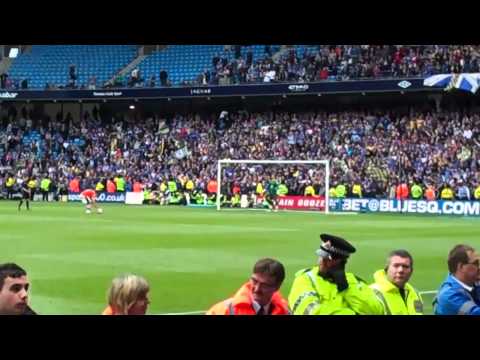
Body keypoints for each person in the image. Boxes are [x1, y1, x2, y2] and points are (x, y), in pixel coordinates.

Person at [288, 234, 384, 315]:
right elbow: (309, 311)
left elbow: (375, 311)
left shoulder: (356, 282)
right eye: (321, 257)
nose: (321, 261)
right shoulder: (305, 279)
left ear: (340, 262)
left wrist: (347, 289)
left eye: (327, 259)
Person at [207, 258, 290, 315]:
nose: (257, 289)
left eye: (264, 285)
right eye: (254, 281)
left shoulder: (285, 312)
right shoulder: (224, 310)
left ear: (277, 287)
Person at [369, 250, 423, 315]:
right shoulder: (372, 294)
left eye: (405, 266)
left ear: (411, 271)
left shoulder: (415, 293)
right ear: (387, 269)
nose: (400, 270)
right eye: (396, 266)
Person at [434, 244, 480, 315]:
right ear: (461, 267)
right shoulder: (449, 296)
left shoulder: (472, 282)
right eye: (476, 263)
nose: (479, 267)